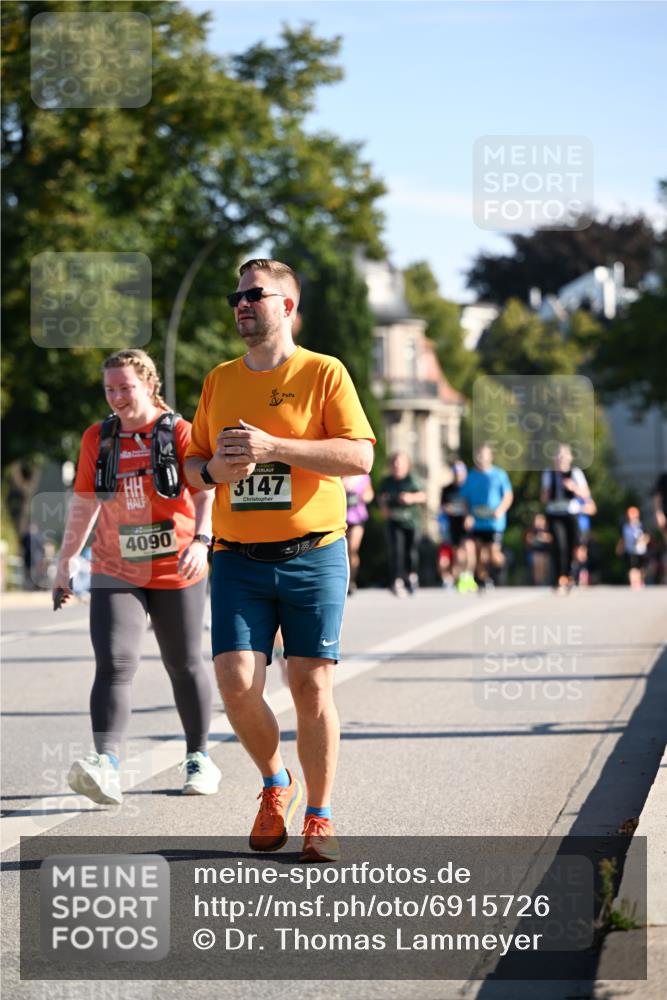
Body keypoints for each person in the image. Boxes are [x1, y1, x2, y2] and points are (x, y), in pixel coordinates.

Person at [184, 258, 375, 863]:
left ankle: (319, 815)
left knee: (310, 686)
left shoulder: (323, 373)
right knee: (237, 685)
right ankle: (275, 784)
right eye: (236, 296)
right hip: (237, 557)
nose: (241, 305)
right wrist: (217, 470)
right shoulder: (219, 379)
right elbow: (192, 464)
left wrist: (276, 448)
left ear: (286, 306)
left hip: (312, 554)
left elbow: (359, 457)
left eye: (254, 296)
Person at [53, 349, 219, 805]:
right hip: (114, 565)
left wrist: (202, 542)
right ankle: (105, 764)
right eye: (110, 389)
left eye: (125, 387)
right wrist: (67, 561)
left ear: (149, 384)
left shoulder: (179, 432)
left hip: (176, 564)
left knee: (183, 663)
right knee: (113, 663)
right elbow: (85, 503)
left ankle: (199, 756)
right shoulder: (98, 438)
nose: (117, 397)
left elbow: (206, 491)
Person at [460, 444, 513, 590]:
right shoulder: (471, 476)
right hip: (477, 521)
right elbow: (464, 500)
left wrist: (500, 510)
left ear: (490, 456)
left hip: (494, 522)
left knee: (492, 553)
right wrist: (467, 516)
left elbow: (508, 496)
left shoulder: (499, 475)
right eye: (478, 455)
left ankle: (502, 565)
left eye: (483, 455)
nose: (480, 458)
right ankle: (483, 580)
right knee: (478, 553)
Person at [540, 444, 592, 593]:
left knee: (572, 546)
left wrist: (573, 488)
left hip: (571, 513)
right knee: (559, 545)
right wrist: (547, 493)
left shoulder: (576, 473)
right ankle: (559, 577)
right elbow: (544, 498)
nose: (560, 458)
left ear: (570, 457)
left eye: (564, 455)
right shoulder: (548, 473)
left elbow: (586, 495)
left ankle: (570, 576)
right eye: (558, 455)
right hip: (554, 513)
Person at [377, 452, 426, 597]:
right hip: (394, 521)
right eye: (394, 463)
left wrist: (411, 498)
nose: (397, 466)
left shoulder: (412, 480)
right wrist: (384, 508)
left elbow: (423, 495)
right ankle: (397, 580)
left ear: (407, 465)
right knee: (396, 550)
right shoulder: (387, 481)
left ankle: (411, 576)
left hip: (411, 522)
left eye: (400, 463)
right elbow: (380, 497)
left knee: (411, 550)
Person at [439, 460, 476, 592]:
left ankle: (468, 576)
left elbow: (474, 505)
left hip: (466, 523)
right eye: (456, 472)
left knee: (469, 548)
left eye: (460, 472)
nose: (458, 475)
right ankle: (460, 577)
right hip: (453, 525)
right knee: (459, 554)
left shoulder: (470, 487)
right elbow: (444, 507)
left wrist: (470, 515)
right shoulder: (447, 489)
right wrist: (451, 510)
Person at [342, 472, 374, 595]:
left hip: (357, 518)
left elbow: (370, 494)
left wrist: (363, 495)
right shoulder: (340, 475)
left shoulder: (363, 477)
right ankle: (343, 580)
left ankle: (351, 581)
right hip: (342, 518)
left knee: (352, 549)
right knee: (342, 550)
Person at [616, 506, 650, 588]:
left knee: (641, 567)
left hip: (641, 550)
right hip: (630, 549)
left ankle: (640, 580)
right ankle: (634, 582)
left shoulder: (642, 525)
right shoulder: (625, 526)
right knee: (632, 567)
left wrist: (643, 541)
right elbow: (622, 538)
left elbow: (647, 536)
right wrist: (619, 548)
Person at [525, 513, 552, 586]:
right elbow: (528, 540)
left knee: (544, 563)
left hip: (545, 552)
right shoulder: (532, 530)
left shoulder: (547, 530)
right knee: (537, 561)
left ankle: (544, 580)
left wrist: (543, 537)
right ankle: (538, 581)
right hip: (535, 552)